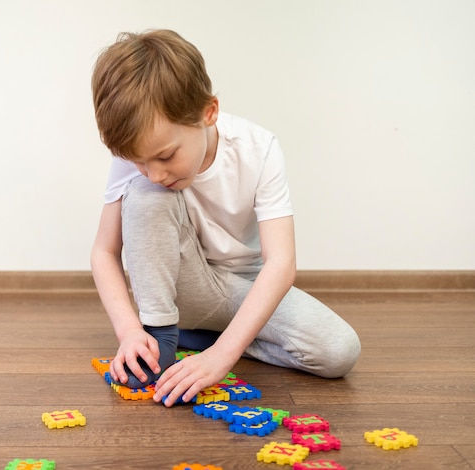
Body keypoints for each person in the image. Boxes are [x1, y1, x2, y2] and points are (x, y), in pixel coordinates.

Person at [90, 29, 361, 407]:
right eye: (139, 161)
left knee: (339, 350)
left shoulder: (258, 148)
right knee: (146, 197)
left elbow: (281, 263)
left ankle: (208, 339)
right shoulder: (141, 157)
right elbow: (104, 252)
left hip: (241, 289)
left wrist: (222, 356)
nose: (153, 172)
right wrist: (131, 332)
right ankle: (162, 336)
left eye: (166, 157)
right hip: (180, 286)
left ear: (208, 112)